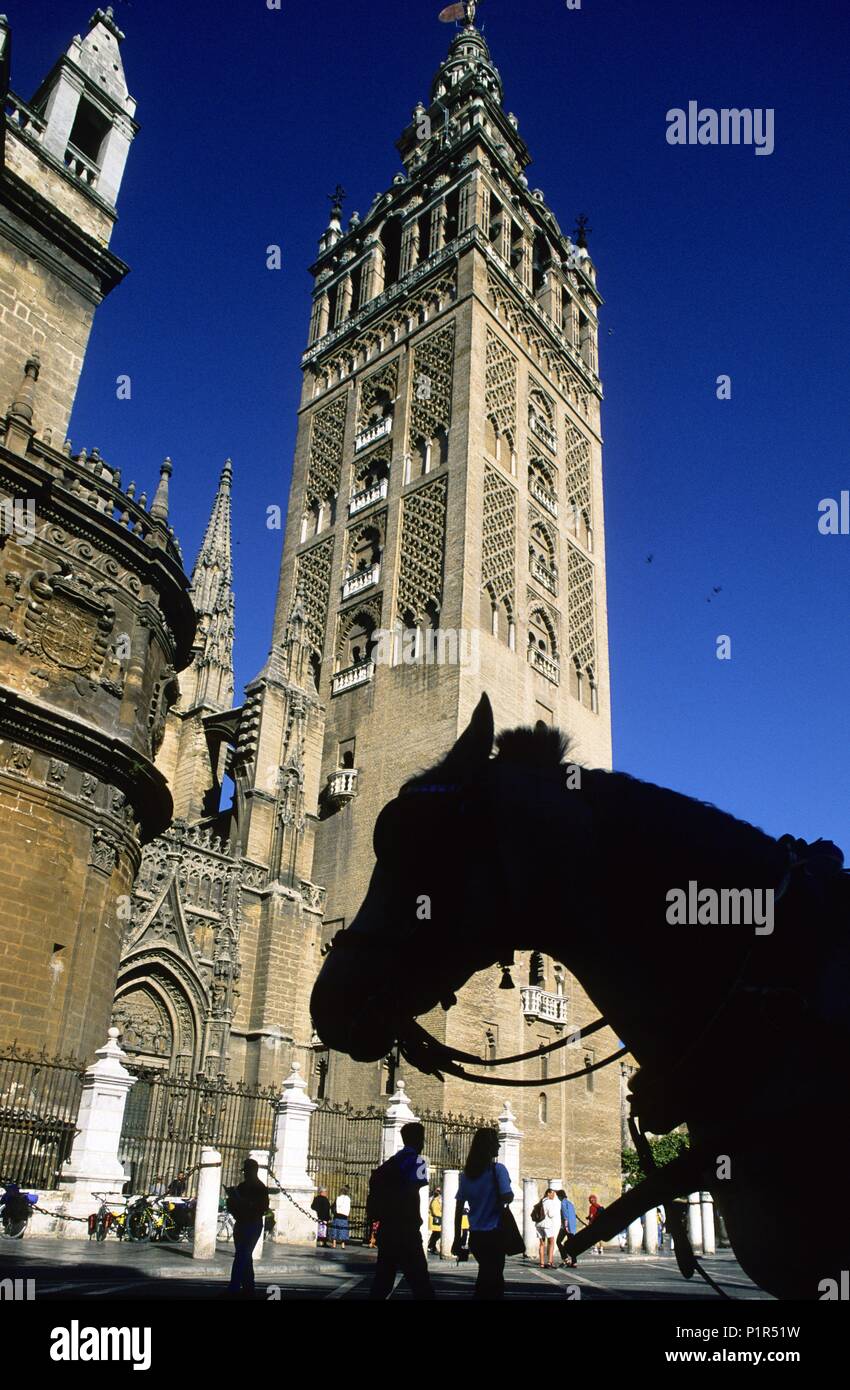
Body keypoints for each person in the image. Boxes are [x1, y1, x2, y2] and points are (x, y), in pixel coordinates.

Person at [367, 1120, 434, 1300]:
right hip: (406, 1230)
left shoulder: (390, 1163)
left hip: (387, 1229)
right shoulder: (418, 1162)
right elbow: (415, 1188)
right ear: (419, 1140)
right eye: (422, 1139)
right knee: (421, 1282)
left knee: (383, 1281)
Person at [454, 1127, 513, 1299]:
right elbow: (507, 1196)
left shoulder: (466, 1175)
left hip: (476, 1237)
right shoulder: (498, 1170)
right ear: (489, 1146)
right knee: (494, 1280)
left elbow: (458, 1209)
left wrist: (458, 1238)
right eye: (496, 1142)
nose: (499, 1146)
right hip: (494, 1234)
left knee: (486, 1275)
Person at [226, 1158, 270, 1296]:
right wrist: (232, 1199)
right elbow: (232, 1206)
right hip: (241, 1223)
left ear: (252, 1171)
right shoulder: (241, 1186)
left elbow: (263, 1207)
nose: (244, 1173)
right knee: (246, 1256)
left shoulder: (260, 1188)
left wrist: (246, 1203)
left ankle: (233, 1287)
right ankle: (248, 1287)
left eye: (246, 1170)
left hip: (252, 1224)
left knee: (241, 1255)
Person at [536, 1187, 561, 1268]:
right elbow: (551, 1214)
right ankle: (550, 1262)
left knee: (542, 1243)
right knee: (551, 1242)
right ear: (548, 1193)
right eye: (553, 1193)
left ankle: (542, 1263)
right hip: (547, 1224)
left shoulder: (541, 1201)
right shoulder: (549, 1202)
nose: (554, 1195)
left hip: (538, 1224)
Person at [556, 1189, 577, 1267]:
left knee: (558, 1241)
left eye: (558, 1196)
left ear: (560, 1196)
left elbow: (565, 1216)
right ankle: (574, 1262)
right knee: (572, 1244)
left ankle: (565, 1259)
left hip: (566, 1227)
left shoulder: (563, 1203)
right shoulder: (570, 1203)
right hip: (572, 1227)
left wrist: (566, 1227)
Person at [427, 1190, 442, 1254]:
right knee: (437, 1234)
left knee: (435, 1234)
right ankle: (431, 1246)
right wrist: (442, 1214)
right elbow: (435, 1211)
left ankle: (432, 1247)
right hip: (435, 1220)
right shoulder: (435, 1201)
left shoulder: (436, 1200)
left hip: (435, 1220)